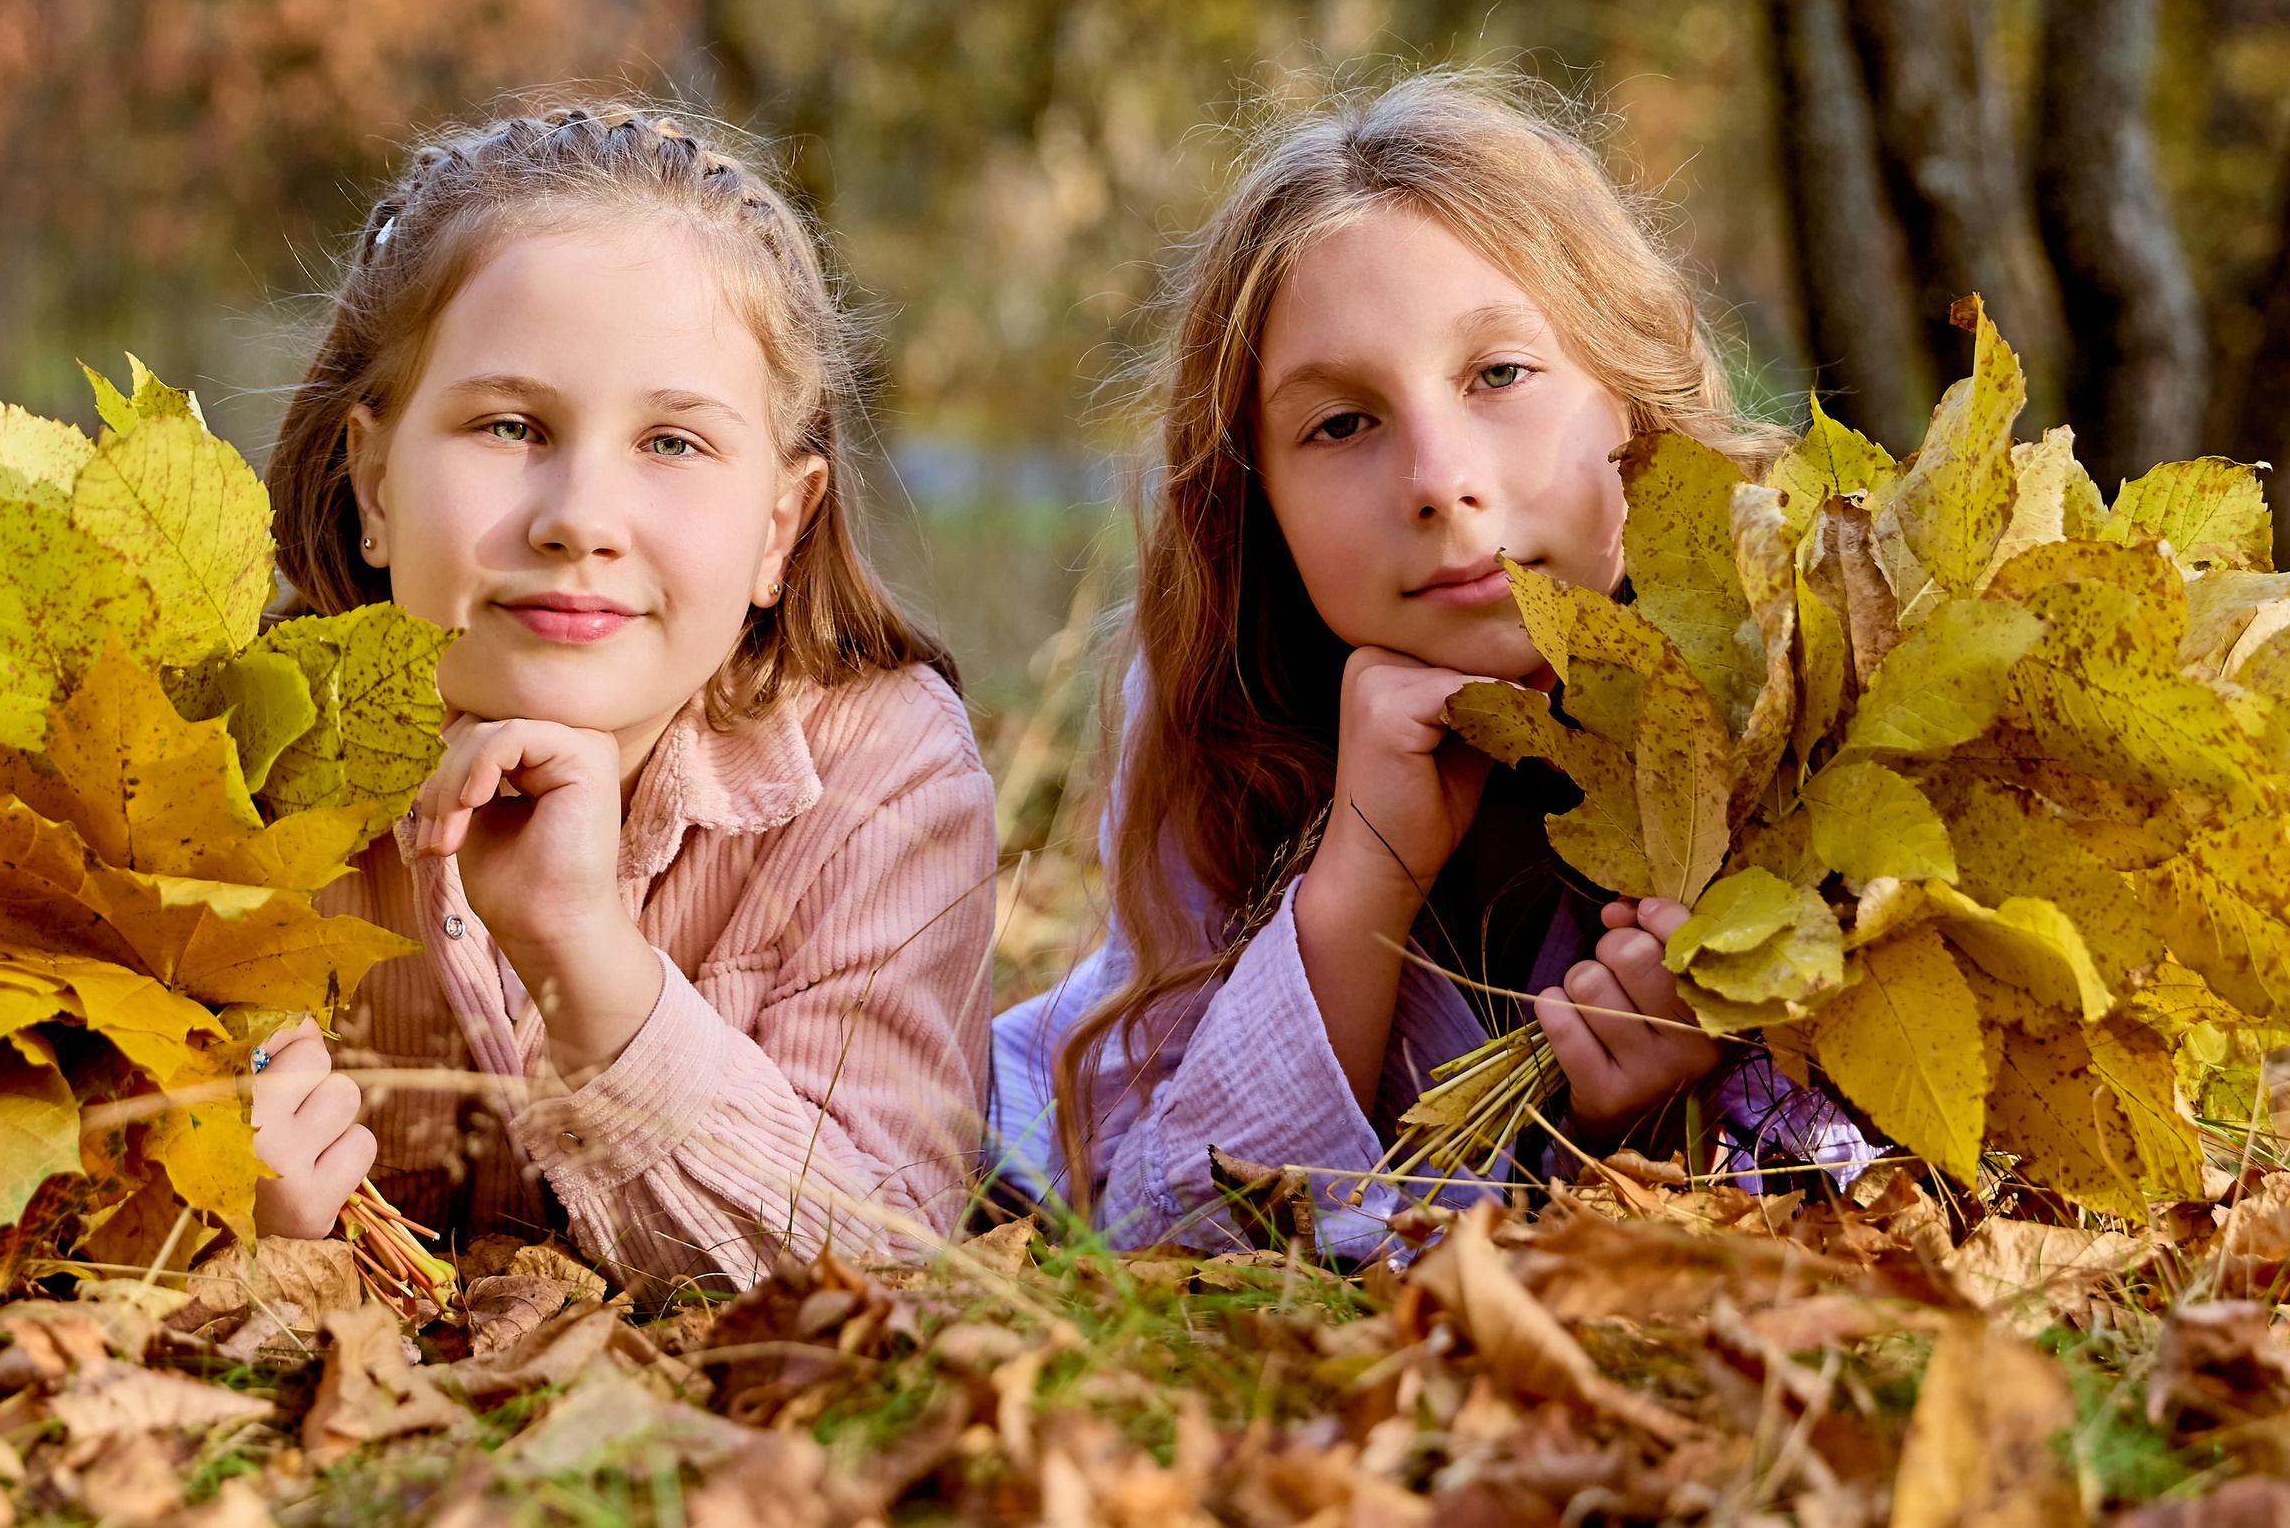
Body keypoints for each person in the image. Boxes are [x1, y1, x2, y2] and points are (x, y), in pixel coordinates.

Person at [990, 70, 1870, 1256]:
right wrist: (1359, 883)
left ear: (1629, 395)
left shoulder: (1807, 697)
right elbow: (1171, 1231)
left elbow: (1902, 1185)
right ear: (1256, 501)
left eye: (1499, 375)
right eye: (1341, 424)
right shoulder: (1226, 715)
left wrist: (1660, 1127)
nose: (1438, 480)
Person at [245, 103, 997, 1293]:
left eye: (673, 444)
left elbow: (886, 1261)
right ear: (374, 482)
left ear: (777, 527)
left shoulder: (881, 774)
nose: (580, 517)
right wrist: (223, 1213)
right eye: (509, 425)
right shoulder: (228, 762)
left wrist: (587, 959)